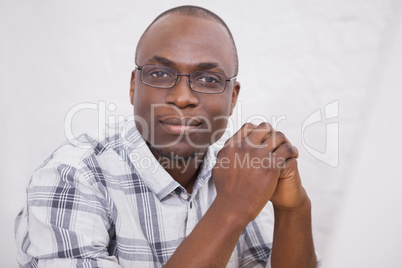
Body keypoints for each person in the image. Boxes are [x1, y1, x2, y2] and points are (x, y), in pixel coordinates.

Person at [15, 5, 320, 268]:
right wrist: (232, 207)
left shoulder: (238, 172)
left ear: (233, 97)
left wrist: (293, 209)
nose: (182, 97)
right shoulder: (72, 175)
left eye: (208, 79)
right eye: (160, 74)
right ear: (134, 85)